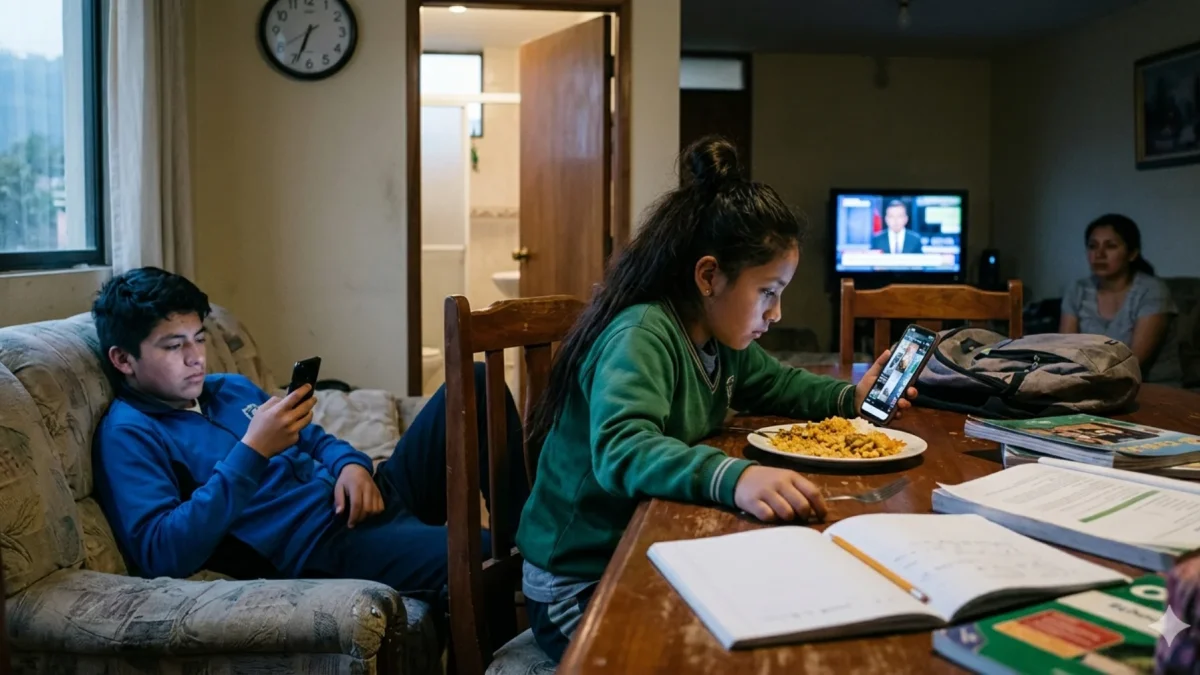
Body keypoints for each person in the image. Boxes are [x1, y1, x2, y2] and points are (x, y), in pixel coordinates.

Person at [515, 137, 917, 662]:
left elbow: (777, 384)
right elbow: (622, 447)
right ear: (709, 276)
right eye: (768, 292)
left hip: (634, 551)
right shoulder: (642, 334)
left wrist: (850, 396)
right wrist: (735, 476)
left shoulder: (717, 339)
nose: (776, 313)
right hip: (576, 578)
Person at [90, 267, 529, 634]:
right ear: (123, 360)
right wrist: (253, 450)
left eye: (198, 338)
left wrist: (350, 465)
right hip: (319, 550)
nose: (196, 358)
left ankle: (530, 540)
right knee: (481, 553)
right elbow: (160, 551)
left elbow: (313, 437)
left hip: (361, 499)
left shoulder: (229, 388)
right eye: (174, 345)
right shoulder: (130, 434)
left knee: (473, 381)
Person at [1059, 214, 1181, 386]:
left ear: (1132, 254)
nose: (1099, 254)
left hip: (1151, 389)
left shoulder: (1152, 291)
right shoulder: (1077, 289)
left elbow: (1133, 361)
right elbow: (1066, 351)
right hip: (1090, 385)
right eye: (1093, 246)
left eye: (1111, 246)